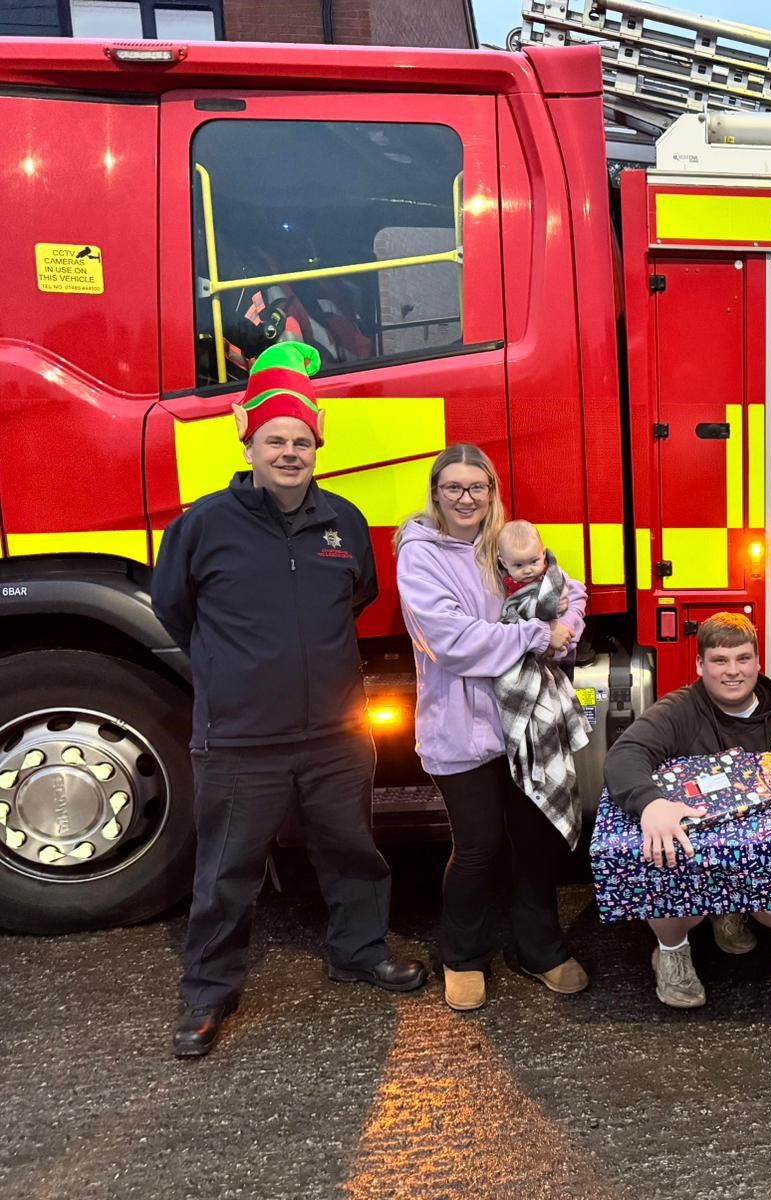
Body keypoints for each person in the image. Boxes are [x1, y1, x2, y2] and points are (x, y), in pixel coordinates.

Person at [152, 341, 425, 1059]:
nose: (289, 453)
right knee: (225, 872)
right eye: (275, 440)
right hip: (243, 740)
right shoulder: (204, 525)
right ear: (249, 442)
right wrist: (238, 672)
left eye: (301, 441)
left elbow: (357, 597)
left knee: (354, 851)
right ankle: (208, 995)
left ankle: (359, 951)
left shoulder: (344, 522)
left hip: (337, 733)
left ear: (317, 446)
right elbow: (172, 607)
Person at [394, 445, 589, 1013]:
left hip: (524, 722)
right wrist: (536, 636)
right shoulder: (420, 554)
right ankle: (463, 955)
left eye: (476, 487)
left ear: (492, 491)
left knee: (535, 840)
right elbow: (453, 643)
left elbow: (568, 589)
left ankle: (539, 950)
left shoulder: (504, 542)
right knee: (477, 846)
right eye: (453, 487)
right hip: (462, 728)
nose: (465, 498)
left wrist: (567, 625)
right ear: (435, 493)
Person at [602, 613, 771, 1009]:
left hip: (756, 855)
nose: (733, 671)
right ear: (699, 665)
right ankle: (672, 950)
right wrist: (652, 804)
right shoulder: (680, 709)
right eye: (720, 660)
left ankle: (730, 910)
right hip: (692, 857)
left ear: (758, 662)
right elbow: (623, 755)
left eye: (743, 659)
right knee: (658, 858)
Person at [491, 519, 590, 851]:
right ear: (502, 562)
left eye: (534, 561)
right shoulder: (496, 585)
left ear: (543, 553)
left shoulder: (555, 578)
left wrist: (565, 629)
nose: (529, 571)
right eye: (518, 565)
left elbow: (575, 597)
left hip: (551, 660)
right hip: (519, 666)